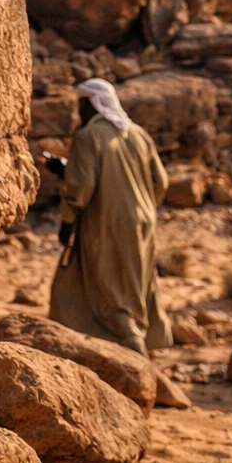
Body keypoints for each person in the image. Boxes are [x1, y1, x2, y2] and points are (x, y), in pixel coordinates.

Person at [48, 78, 173, 355]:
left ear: (91, 104)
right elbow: (160, 182)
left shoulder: (88, 136)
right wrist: (141, 205)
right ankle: (142, 339)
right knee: (135, 281)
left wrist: (68, 221)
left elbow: (82, 186)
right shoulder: (138, 134)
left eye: (81, 105)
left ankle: (133, 347)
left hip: (106, 222)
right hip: (144, 221)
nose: (79, 112)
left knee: (109, 288)